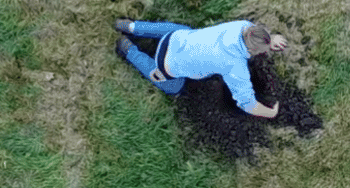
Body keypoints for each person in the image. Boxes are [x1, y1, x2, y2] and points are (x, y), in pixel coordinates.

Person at [113, 18, 289, 118]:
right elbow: (247, 104)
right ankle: (128, 50)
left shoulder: (242, 26)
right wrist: (270, 113)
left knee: (183, 30)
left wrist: (269, 39)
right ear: (253, 51)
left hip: (174, 38)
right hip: (165, 66)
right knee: (173, 86)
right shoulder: (235, 66)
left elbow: (253, 33)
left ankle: (131, 27)